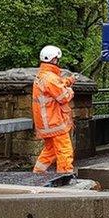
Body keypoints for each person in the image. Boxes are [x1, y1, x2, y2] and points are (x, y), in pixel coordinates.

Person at [32, 45, 76, 175]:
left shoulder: (43, 75)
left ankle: (37, 173)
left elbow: (57, 84)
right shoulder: (50, 78)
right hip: (54, 122)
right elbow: (64, 97)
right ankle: (65, 175)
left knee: (50, 150)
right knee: (65, 150)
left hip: (45, 122)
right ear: (54, 60)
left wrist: (68, 81)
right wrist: (70, 90)